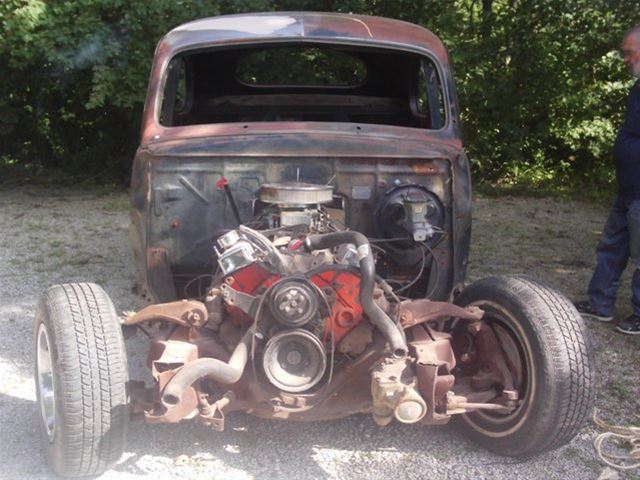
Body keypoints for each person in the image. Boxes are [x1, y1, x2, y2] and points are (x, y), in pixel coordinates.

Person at [574, 26, 640, 335]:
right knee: (612, 245)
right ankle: (600, 303)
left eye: (630, 52)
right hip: (628, 188)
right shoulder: (637, 89)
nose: (626, 59)